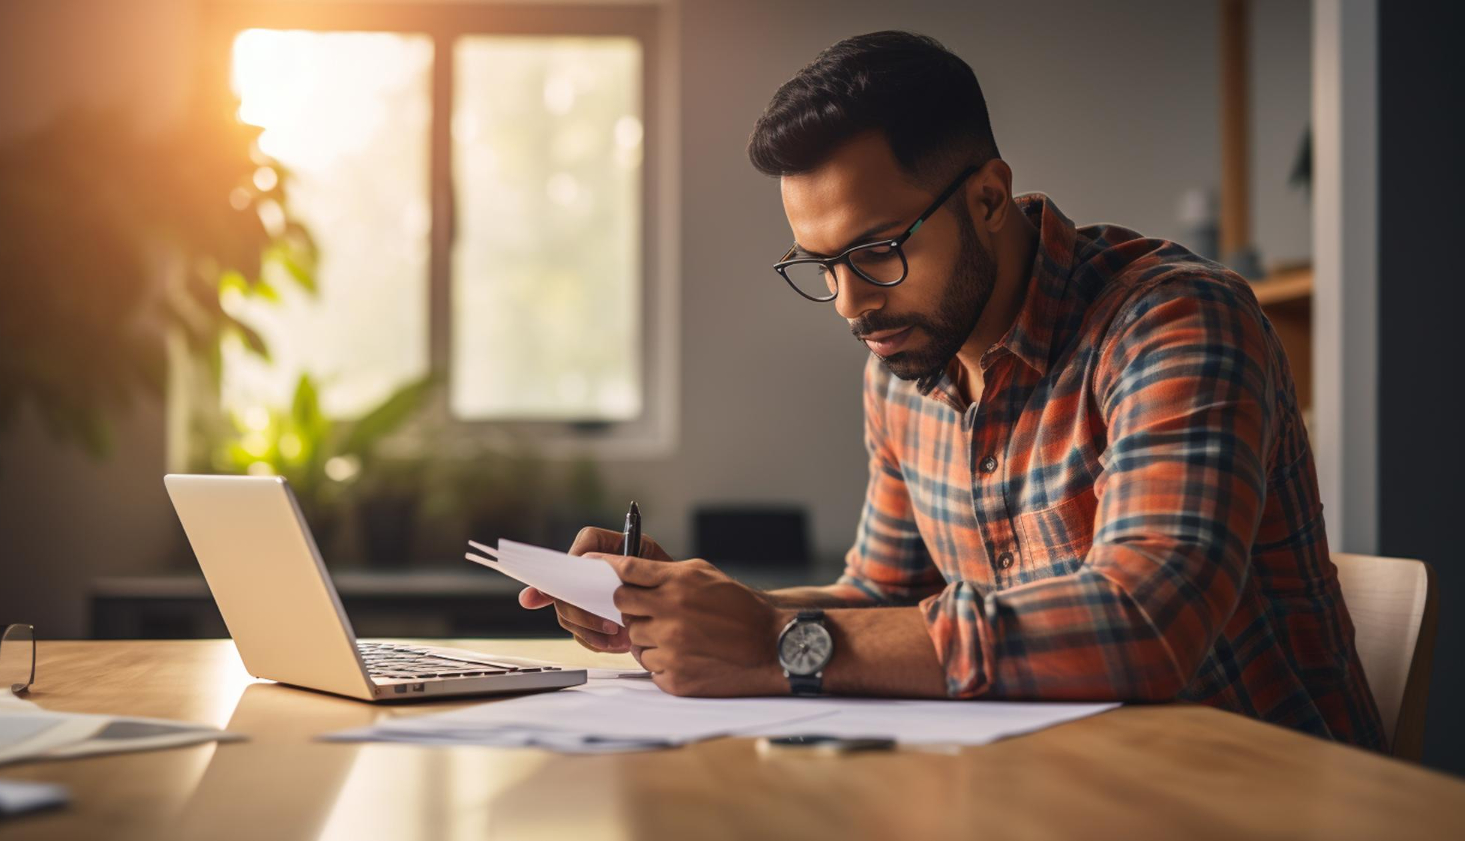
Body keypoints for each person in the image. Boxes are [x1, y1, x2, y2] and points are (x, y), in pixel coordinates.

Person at [520, 30, 1385, 750]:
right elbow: (882, 601)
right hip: (1057, 785)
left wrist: (775, 640)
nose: (853, 304)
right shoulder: (903, 368)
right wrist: (698, 606)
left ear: (988, 197)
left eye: (877, 251)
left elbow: (1145, 622)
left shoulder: (1176, 324)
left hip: (1267, 797)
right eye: (821, 267)